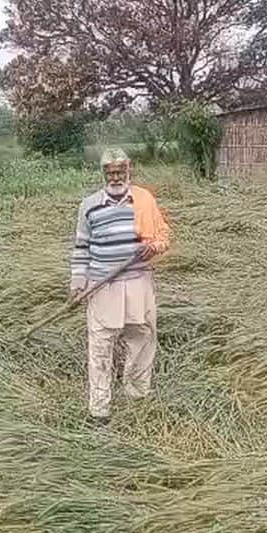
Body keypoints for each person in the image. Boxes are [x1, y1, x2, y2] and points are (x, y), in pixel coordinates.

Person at [70, 147, 171, 426]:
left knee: (141, 341)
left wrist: (153, 247)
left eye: (120, 172)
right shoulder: (89, 205)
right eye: (110, 173)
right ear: (103, 173)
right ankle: (99, 410)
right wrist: (78, 284)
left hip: (139, 284)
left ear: (129, 170)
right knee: (101, 347)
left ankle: (137, 397)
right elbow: (81, 247)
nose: (115, 178)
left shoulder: (144, 200)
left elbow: (163, 236)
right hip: (102, 287)